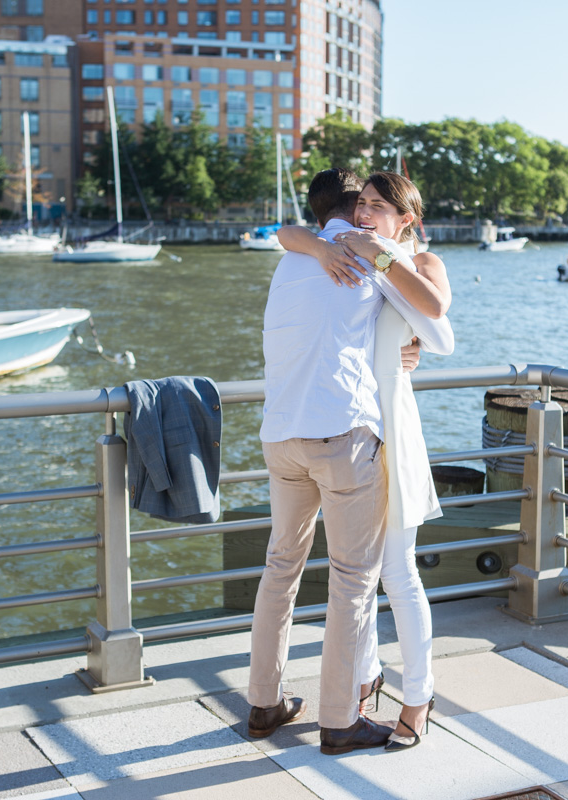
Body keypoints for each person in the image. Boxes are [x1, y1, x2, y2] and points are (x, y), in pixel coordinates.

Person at [247, 168, 453, 756]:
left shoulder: (290, 259)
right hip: (341, 435)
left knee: (280, 569)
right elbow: (435, 320)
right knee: (355, 580)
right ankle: (340, 720)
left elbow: (288, 235)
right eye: (362, 204)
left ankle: (264, 703)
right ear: (352, 209)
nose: (366, 215)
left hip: (279, 435)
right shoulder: (367, 255)